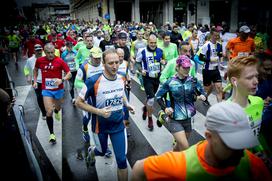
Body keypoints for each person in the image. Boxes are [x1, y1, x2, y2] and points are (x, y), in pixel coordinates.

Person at [131, 102, 272, 181]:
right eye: (231, 144)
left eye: (243, 143)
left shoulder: (253, 163)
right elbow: (138, 168)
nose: (241, 154)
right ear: (209, 136)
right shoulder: (179, 165)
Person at [75, 48, 134, 181]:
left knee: (122, 160)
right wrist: (99, 112)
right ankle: (92, 151)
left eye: (117, 62)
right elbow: (79, 103)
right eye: (110, 63)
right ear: (103, 63)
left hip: (118, 125)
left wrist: (126, 104)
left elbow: (121, 92)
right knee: (101, 151)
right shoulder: (92, 81)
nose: (115, 66)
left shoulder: (121, 77)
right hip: (99, 126)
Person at [155, 55, 206, 151]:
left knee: (179, 146)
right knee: (185, 147)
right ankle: (164, 116)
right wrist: (165, 108)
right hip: (175, 119)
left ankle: (173, 159)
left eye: (188, 67)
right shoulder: (170, 82)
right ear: (177, 67)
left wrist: (202, 95)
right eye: (184, 67)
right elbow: (158, 97)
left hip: (187, 119)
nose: (187, 69)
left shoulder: (193, 80)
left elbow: (201, 91)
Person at [34, 43, 71, 144]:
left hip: (58, 89)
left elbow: (69, 73)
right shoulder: (40, 60)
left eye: (52, 52)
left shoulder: (59, 61)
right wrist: (34, 80)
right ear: (44, 52)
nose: (51, 55)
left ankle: (57, 111)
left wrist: (62, 80)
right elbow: (35, 69)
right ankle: (52, 134)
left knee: (57, 108)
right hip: (46, 89)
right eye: (48, 53)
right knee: (48, 112)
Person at [136, 34, 164, 131]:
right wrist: (140, 70)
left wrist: (164, 62)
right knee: (151, 99)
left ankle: (145, 108)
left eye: (155, 43)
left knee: (149, 98)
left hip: (157, 78)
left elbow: (163, 61)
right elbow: (137, 62)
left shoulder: (160, 51)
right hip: (147, 78)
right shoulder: (142, 51)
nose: (153, 44)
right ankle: (150, 119)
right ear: (147, 42)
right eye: (151, 43)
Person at [24, 44, 46, 119]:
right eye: (37, 50)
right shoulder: (30, 60)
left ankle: (49, 107)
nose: (39, 52)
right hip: (36, 81)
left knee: (47, 96)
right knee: (39, 97)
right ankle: (43, 112)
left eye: (40, 50)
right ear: (34, 51)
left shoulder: (46, 57)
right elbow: (26, 68)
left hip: (46, 80)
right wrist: (28, 77)